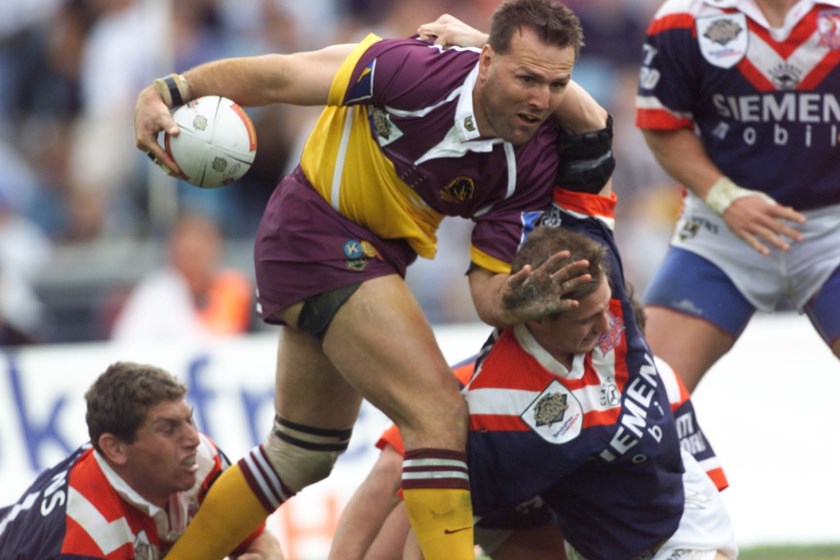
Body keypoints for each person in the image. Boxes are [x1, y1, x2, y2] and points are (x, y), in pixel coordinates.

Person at [133, 1, 613, 558]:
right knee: (438, 413)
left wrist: (515, 298)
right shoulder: (417, 69)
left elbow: (486, 289)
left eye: (556, 85)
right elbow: (282, 74)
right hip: (312, 229)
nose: (540, 100)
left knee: (301, 453)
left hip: (372, 258)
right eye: (526, 78)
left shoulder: (529, 164)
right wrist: (170, 91)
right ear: (484, 62)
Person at [330, 303, 730, 560]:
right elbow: (389, 478)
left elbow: (705, 493)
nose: (602, 336)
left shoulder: (656, 378)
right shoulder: (476, 393)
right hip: (486, 500)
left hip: (555, 509)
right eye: (592, 328)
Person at [634, 0, 840, 392]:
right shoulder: (683, 18)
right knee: (645, 396)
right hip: (720, 232)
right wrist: (726, 198)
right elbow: (663, 124)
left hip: (833, 233)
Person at [0, 361, 282, 560]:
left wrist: (261, 554)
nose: (193, 439)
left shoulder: (202, 462)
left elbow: (258, 538)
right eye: (168, 429)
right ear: (115, 449)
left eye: (189, 420)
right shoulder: (89, 531)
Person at [110, 213, 253, 342]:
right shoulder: (159, 292)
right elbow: (127, 343)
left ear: (217, 249)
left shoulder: (233, 286)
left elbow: (229, 338)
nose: (194, 264)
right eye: (188, 255)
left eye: (200, 254)